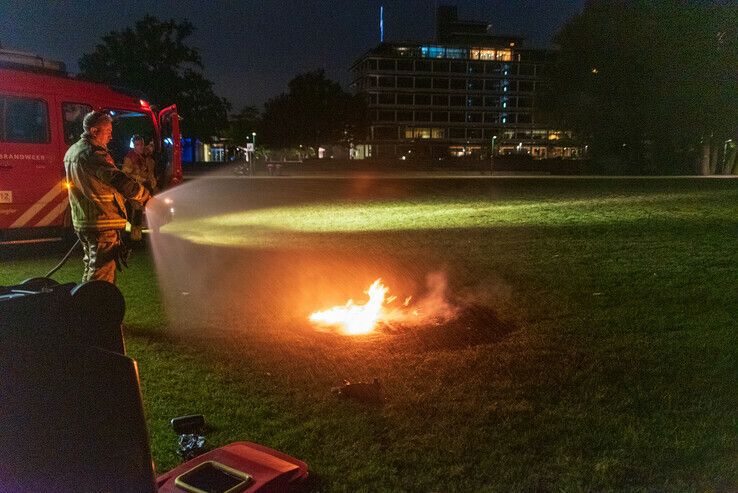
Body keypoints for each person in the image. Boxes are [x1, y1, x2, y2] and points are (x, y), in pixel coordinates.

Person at [64, 111, 160, 284]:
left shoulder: (74, 150)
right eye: (107, 131)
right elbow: (118, 179)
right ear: (94, 131)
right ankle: (98, 308)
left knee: (92, 268)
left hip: (86, 219)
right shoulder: (93, 155)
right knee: (102, 274)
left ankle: (87, 305)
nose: (110, 135)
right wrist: (147, 199)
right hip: (101, 220)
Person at [122, 135, 157, 240]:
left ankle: (155, 234)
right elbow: (125, 174)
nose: (140, 146)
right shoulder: (130, 158)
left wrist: (152, 179)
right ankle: (136, 237)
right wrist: (138, 178)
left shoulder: (147, 158)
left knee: (156, 207)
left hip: (148, 188)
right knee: (137, 210)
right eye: (137, 144)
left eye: (141, 144)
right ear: (134, 146)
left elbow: (150, 171)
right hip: (135, 189)